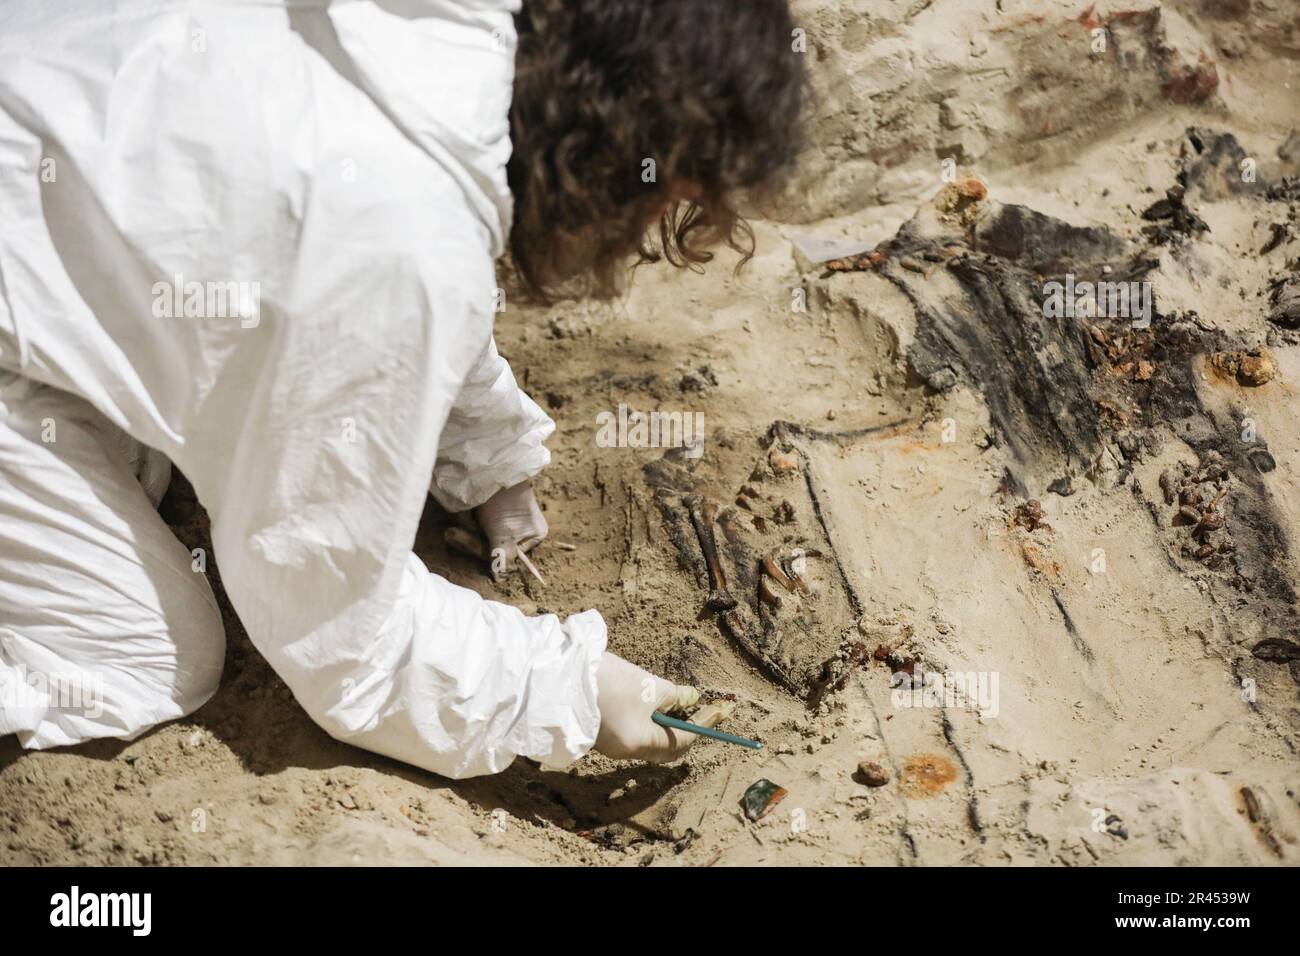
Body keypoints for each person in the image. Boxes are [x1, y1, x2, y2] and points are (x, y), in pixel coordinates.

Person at [0, 0, 804, 778]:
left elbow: (408, 232)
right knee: (143, 654)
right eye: (666, 194)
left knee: (149, 434)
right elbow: (338, 633)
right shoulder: (388, 244)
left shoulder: (440, 38)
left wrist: (488, 459)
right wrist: (571, 689)